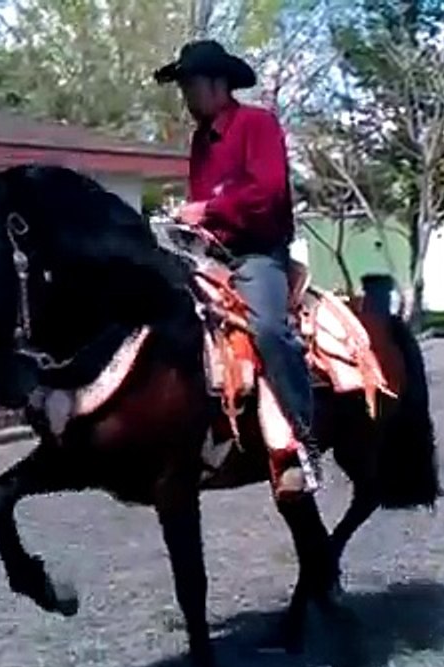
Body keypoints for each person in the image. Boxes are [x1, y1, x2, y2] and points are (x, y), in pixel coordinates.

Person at [154, 39, 319, 499]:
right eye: (182, 86)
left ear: (218, 83)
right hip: (208, 254)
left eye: (190, 85)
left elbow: (267, 193)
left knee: (268, 329)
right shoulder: (199, 142)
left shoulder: (258, 125)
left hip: (258, 254)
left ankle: (303, 437)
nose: (186, 97)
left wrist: (207, 210)